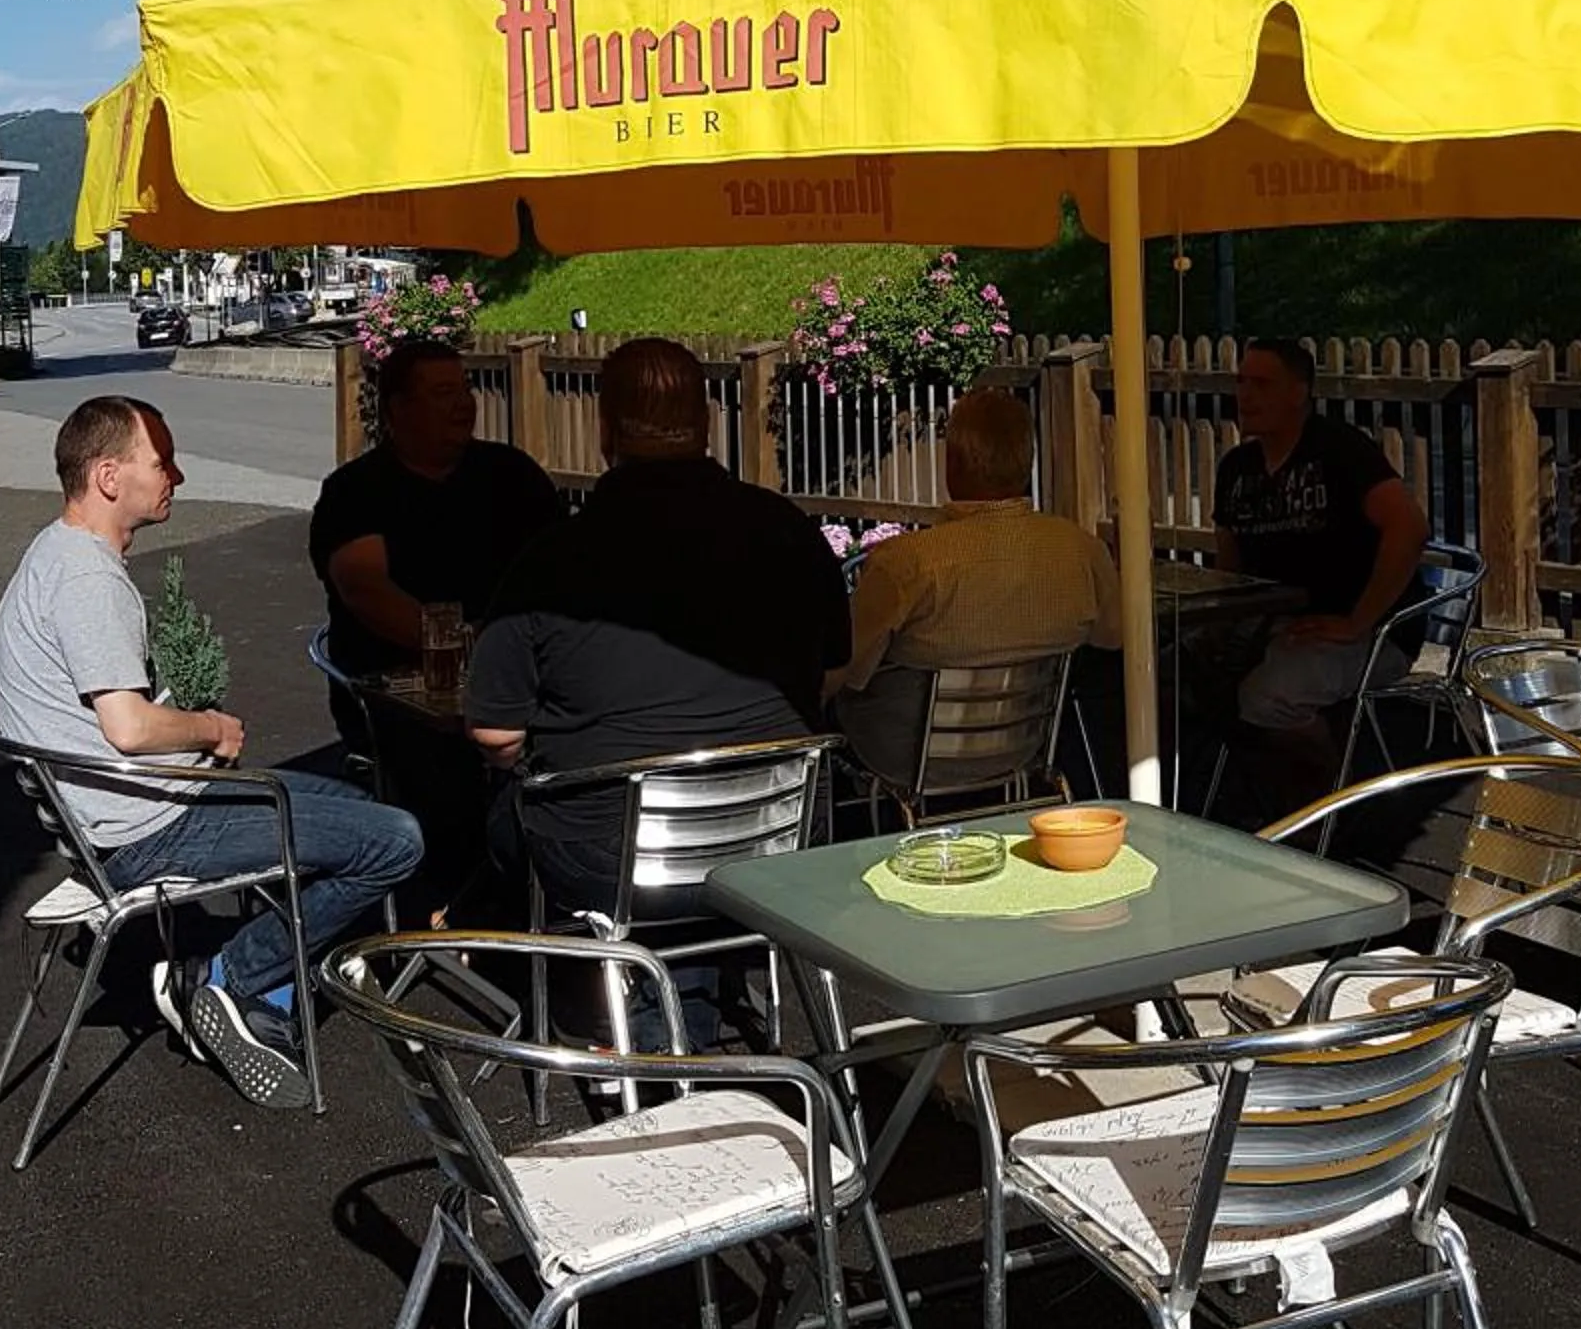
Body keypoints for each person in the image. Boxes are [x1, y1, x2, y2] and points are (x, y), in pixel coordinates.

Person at [0, 395, 421, 1108]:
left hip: (117, 816)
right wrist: (209, 729)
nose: (176, 477)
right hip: (144, 832)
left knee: (352, 806)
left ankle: (265, 993)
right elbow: (128, 728)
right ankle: (228, 979)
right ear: (107, 476)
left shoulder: (51, 553)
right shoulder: (88, 579)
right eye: (160, 463)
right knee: (395, 841)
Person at [466, 337, 850, 1042]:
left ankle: (636, 1021)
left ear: (605, 431)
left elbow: (495, 733)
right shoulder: (790, 533)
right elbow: (831, 675)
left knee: (507, 813)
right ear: (707, 424)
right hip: (780, 843)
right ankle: (698, 997)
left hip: (615, 860)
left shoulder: (553, 558)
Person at [307, 338, 560, 891]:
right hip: (397, 687)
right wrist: (464, 646)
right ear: (397, 409)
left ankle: (539, 885)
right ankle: (460, 898)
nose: (464, 404)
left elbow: (562, 563)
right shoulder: (356, 490)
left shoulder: (510, 473)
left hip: (517, 672)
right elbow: (364, 588)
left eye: (465, 389)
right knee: (446, 768)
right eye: (444, 393)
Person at [830, 387, 1121, 791]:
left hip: (904, 760)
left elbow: (841, 667)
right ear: (1027, 462)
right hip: (1024, 751)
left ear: (952, 463)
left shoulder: (908, 564)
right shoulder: (1081, 551)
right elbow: (1113, 638)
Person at [1211, 337, 1430, 779]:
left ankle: (1328, 799)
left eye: (1261, 383)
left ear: (1299, 392)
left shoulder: (1340, 451)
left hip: (1367, 632)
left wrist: (1358, 622)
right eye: (1240, 381)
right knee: (1173, 675)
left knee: (1269, 697)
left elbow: (1409, 528)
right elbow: (1228, 563)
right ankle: (1239, 794)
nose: (1245, 395)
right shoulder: (1236, 467)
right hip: (1276, 624)